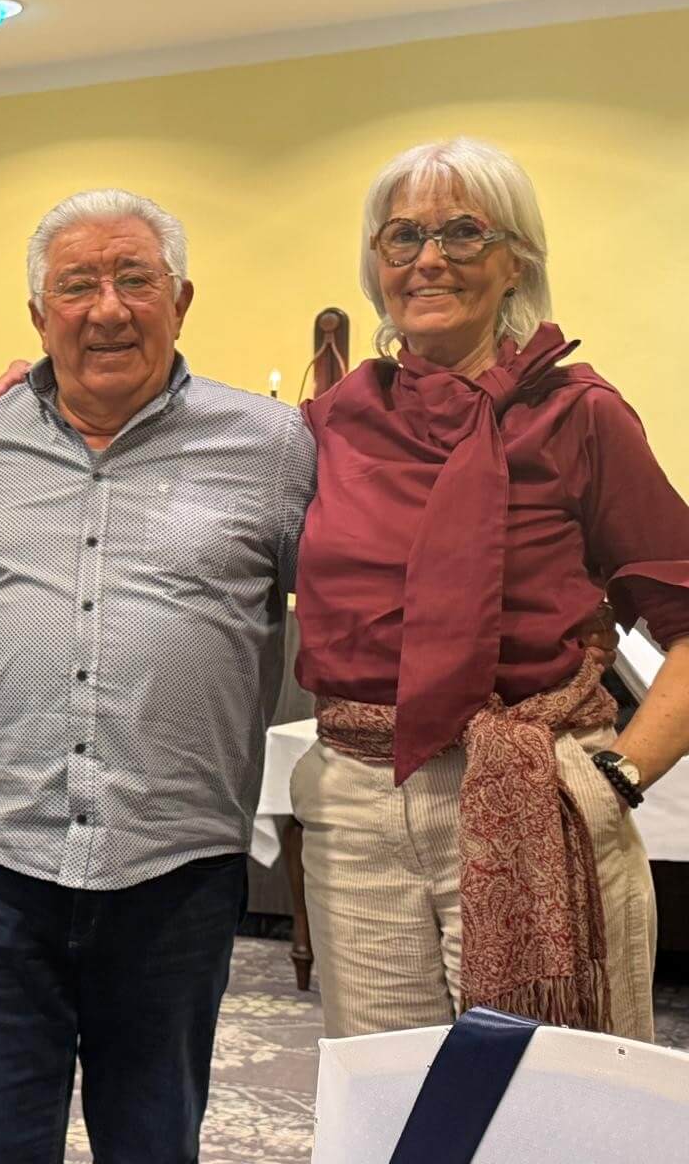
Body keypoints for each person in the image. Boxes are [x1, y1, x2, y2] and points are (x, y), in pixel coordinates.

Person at [0, 188, 314, 1164]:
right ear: (37, 315)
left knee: (152, 1142)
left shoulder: (271, 447)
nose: (106, 308)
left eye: (134, 279)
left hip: (173, 871)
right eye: (77, 285)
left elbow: (350, 605)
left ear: (180, 301)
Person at [290, 137, 689, 1042]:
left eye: (464, 232)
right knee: (391, 1093)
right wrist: (36, 392)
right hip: (359, 808)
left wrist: (619, 777)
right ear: (376, 264)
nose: (429, 258)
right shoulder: (335, 422)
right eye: (403, 237)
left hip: (535, 794)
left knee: (543, 1094)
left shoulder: (580, 414)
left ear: (518, 262)